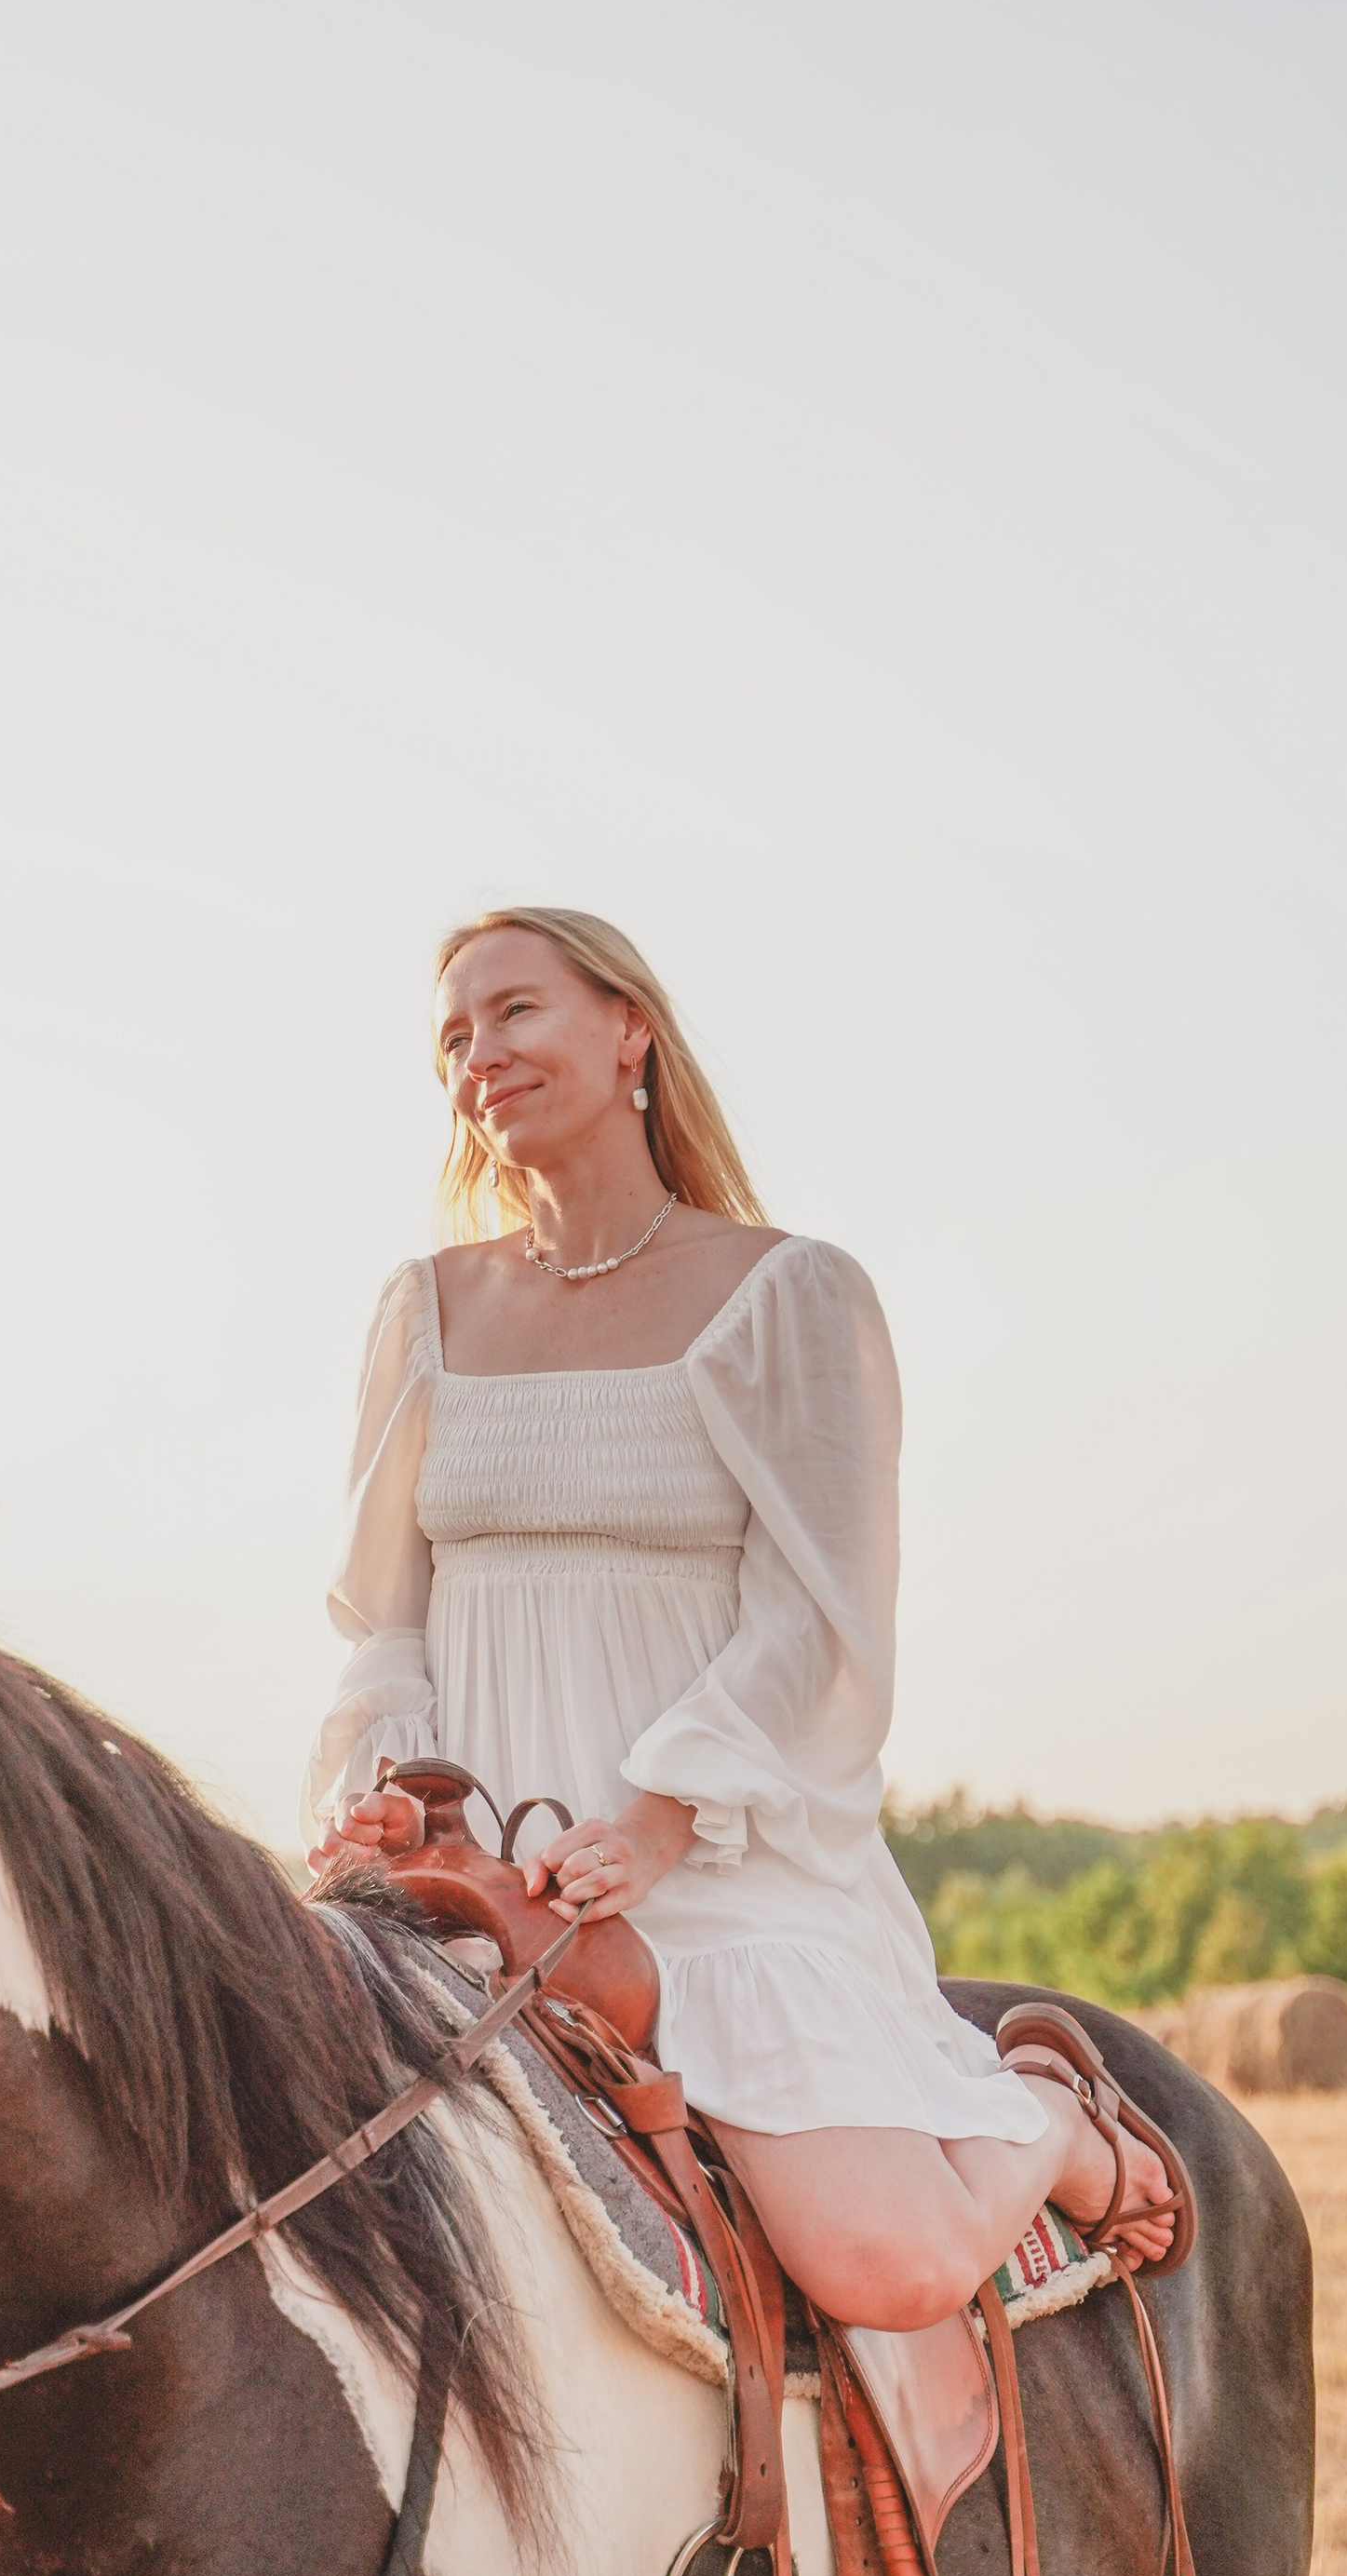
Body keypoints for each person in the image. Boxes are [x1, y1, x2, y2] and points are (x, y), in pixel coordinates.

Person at [304, 908, 1176, 2331]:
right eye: (453, 1038)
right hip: (486, 1880)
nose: (478, 1057)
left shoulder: (789, 1294)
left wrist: (656, 1823)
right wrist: (397, 1806)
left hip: (718, 1872)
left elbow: (818, 1622)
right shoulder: (423, 1310)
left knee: (885, 2267)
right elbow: (386, 1619)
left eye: (515, 1012)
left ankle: (1049, 2120)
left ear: (629, 1029)